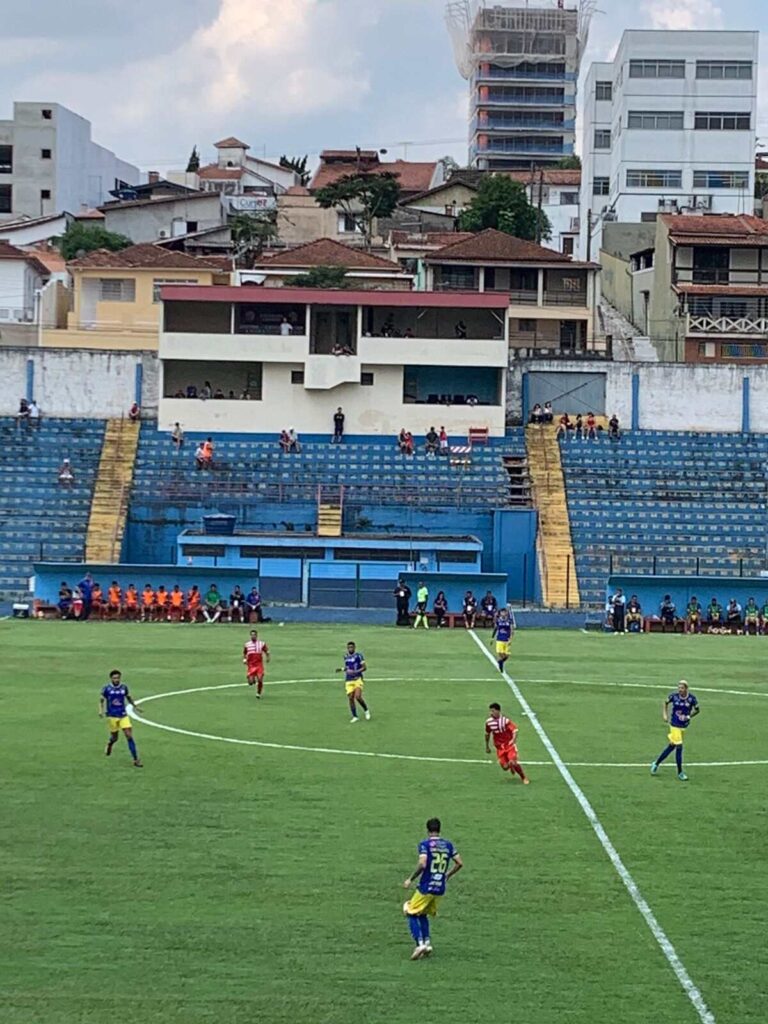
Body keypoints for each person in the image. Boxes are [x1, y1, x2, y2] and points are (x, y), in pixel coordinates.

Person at [402, 817, 463, 961]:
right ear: (439, 829)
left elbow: (423, 864)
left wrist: (410, 879)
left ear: (428, 830)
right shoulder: (448, 845)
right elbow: (459, 863)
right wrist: (447, 875)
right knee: (422, 913)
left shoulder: (425, 845)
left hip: (426, 886)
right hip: (440, 887)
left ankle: (419, 944)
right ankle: (427, 943)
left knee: (410, 911)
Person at [650, 680, 700, 782]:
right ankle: (680, 772)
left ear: (686, 689)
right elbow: (665, 702)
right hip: (674, 724)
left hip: (683, 726)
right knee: (679, 746)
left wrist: (689, 716)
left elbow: (697, 710)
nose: (680, 690)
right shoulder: (674, 696)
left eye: (682, 688)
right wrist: (665, 714)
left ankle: (656, 763)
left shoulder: (692, 699)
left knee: (671, 746)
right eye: (679, 688)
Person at [99, 669, 143, 768]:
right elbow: (101, 700)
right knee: (115, 738)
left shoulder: (124, 688)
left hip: (123, 715)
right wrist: (101, 711)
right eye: (114, 678)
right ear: (111, 678)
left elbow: (128, 697)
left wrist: (135, 707)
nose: (116, 680)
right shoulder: (107, 689)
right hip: (112, 716)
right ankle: (110, 743)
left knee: (129, 736)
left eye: (118, 678)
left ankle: (136, 759)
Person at [485, 702, 529, 783]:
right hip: (499, 748)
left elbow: (515, 730)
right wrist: (487, 746)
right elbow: (487, 734)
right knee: (505, 768)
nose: (491, 713)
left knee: (513, 762)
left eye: (493, 711)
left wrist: (513, 740)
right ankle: (510, 766)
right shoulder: (489, 722)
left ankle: (524, 778)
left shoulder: (505, 721)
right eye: (490, 711)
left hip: (509, 745)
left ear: (498, 711)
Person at [335, 641, 370, 723]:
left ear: (354, 648)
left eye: (352, 647)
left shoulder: (359, 656)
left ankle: (366, 710)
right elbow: (348, 668)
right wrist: (341, 669)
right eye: (349, 647)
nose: (350, 649)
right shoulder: (345, 657)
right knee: (351, 698)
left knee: (358, 696)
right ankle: (355, 716)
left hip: (357, 679)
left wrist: (356, 671)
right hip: (349, 680)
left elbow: (364, 668)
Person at [243, 629, 270, 698]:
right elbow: (245, 652)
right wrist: (245, 659)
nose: (253, 636)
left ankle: (258, 693)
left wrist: (267, 657)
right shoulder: (247, 644)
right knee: (250, 683)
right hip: (251, 665)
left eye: (254, 635)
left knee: (260, 679)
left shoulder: (261, 643)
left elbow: (266, 651)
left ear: (256, 636)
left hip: (259, 665)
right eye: (252, 635)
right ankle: (252, 679)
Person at [491, 609, 514, 673]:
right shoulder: (498, 620)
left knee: (507, 655)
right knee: (500, 653)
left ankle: (500, 662)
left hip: (507, 639)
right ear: (500, 613)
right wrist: (492, 638)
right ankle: (501, 664)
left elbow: (512, 630)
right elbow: (495, 628)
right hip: (500, 639)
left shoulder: (509, 621)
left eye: (504, 612)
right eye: (502, 612)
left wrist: (511, 638)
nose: (503, 613)